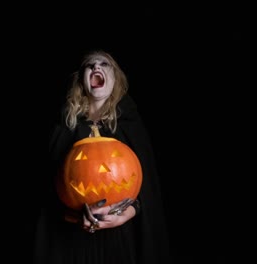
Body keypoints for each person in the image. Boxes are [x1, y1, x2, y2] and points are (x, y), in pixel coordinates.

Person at [33, 50, 170, 264]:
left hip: (121, 240)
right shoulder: (63, 126)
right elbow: (44, 192)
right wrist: (77, 217)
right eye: (90, 65)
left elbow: (146, 189)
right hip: (70, 243)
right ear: (81, 80)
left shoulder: (130, 123)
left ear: (115, 78)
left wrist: (128, 213)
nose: (96, 67)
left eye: (104, 64)